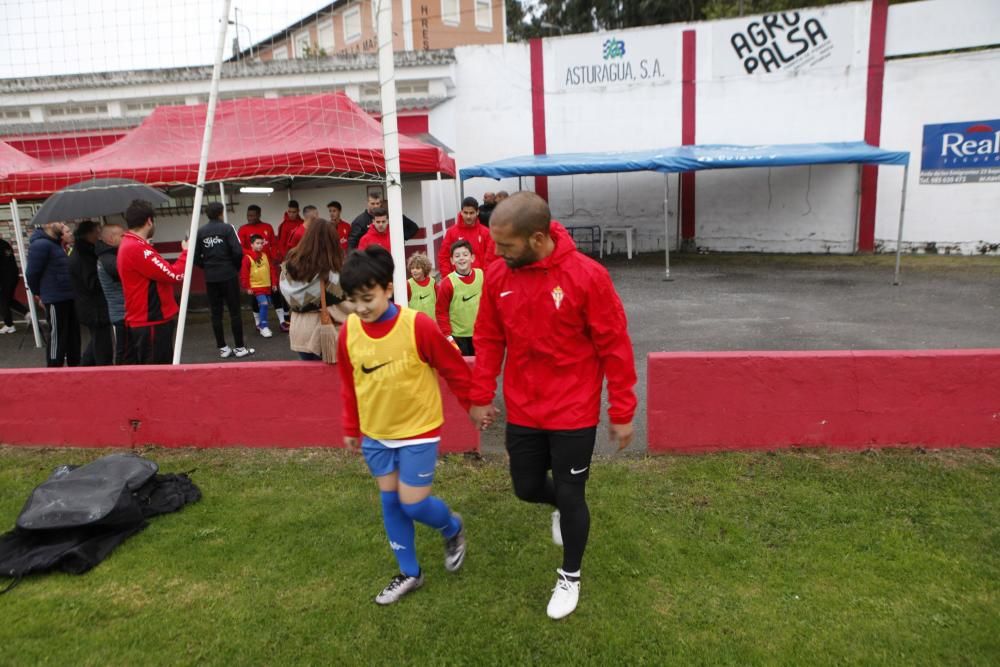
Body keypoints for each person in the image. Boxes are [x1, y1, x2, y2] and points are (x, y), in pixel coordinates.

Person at [469, 192, 637, 620]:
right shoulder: (497, 276)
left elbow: (614, 347)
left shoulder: (588, 277)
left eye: (506, 246)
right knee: (525, 487)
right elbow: (489, 338)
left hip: (573, 412)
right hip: (524, 409)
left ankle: (570, 576)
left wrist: (621, 412)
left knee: (572, 491)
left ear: (538, 238)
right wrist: (481, 393)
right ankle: (559, 506)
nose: (497, 253)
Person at [337, 245, 470, 605]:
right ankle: (410, 572)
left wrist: (474, 404)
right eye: (353, 300)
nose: (361, 307)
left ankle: (452, 528)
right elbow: (349, 383)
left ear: (388, 289)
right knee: (390, 501)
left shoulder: (417, 326)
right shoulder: (348, 331)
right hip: (376, 435)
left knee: (412, 503)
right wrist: (352, 426)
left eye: (368, 297)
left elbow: (453, 367)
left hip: (418, 431)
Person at [117, 199, 188, 365]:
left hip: (145, 320)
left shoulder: (132, 244)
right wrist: (186, 252)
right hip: (151, 321)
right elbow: (174, 274)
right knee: (158, 374)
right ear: (149, 221)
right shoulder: (136, 248)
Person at [279, 218, 350, 361]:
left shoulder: (289, 268)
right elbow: (346, 306)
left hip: (300, 331)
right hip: (328, 332)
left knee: (310, 379)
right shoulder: (333, 272)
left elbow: (287, 296)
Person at [194, 202, 253, 359]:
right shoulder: (227, 228)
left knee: (216, 313)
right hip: (228, 275)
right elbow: (238, 252)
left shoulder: (200, 232)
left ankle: (223, 348)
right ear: (221, 213)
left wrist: (207, 267)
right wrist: (233, 267)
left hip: (211, 277)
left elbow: (195, 258)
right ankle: (240, 347)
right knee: (234, 312)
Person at [26, 221, 80, 367]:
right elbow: (32, 274)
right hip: (55, 297)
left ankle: (75, 366)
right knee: (58, 335)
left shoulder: (57, 244)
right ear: (48, 224)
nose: (62, 224)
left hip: (68, 295)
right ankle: (54, 369)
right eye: (59, 222)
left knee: (72, 335)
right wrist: (39, 294)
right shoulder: (41, 245)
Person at [67, 220, 113, 366]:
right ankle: (103, 372)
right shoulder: (83, 255)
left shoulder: (85, 250)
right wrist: (108, 279)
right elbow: (92, 283)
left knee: (96, 341)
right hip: (94, 308)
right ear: (89, 234)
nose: (99, 234)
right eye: (97, 231)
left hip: (89, 306)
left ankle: (83, 368)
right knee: (102, 344)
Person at [238, 205, 287, 331]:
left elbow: (274, 244)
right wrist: (252, 255)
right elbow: (240, 248)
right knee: (256, 297)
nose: (250, 218)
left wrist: (276, 256)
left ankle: (282, 322)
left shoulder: (267, 227)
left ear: (259, 215)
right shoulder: (243, 230)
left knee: (275, 292)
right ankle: (258, 322)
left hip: (268, 265)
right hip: (253, 268)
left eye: (253, 215)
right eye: (248, 215)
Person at [435, 240, 482, 357]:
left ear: (472, 258)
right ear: (452, 260)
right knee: (463, 372)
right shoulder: (447, 283)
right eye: (457, 256)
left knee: (481, 370)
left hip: (481, 334)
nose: (461, 258)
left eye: (465, 255)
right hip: (459, 337)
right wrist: (448, 336)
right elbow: (441, 312)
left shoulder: (482, 275)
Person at [438, 196, 496, 277]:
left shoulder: (486, 232)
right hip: (457, 281)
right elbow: (443, 256)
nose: (468, 216)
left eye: (471, 213)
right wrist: (447, 277)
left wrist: (486, 277)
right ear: (461, 212)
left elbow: (491, 258)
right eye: (465, 213)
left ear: (477, 212)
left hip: (481, 280)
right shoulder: (451, 232)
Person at [95, 223, 127, 364]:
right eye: (122, 236)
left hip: (122, 311)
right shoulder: (108, 259)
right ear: (110, 238)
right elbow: (124, 273)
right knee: (124, 351)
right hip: (121, 312)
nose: (125, 238)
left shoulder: (109, 256)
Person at [241, 234, 280, 338]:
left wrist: (274, 283)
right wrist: (247, 287)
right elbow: (244, 273)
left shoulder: (265, 255)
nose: (260, 245)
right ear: (251, 244)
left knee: (267, 304)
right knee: (264, 304)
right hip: (256, 287)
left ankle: (260, 323)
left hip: (267, 286)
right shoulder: (247, 258)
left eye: (262, 243)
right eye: (257, 243)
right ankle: (264, 327)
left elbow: (271, 270)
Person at [348, 192, 419, 249]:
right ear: (368, 203)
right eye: (372, 203)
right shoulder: (360, 221)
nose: (375, 206)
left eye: (377, 203)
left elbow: (414, 228)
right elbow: (352, 244)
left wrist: (399, 238)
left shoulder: (393, 216)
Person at [0, 234, 29, 334]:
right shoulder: (5, 244)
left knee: (3, 300)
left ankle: (9, 325)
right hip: (13, 275)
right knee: (8, 299)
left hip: (4, 278)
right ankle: (27, 313)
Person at [406, 252, 435, 320]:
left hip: (432, 322)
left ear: (424, 269)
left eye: (418, 268)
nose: (414, 271)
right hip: (416, 322)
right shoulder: (408, 284)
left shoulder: (432, 282)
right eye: (412, 268)